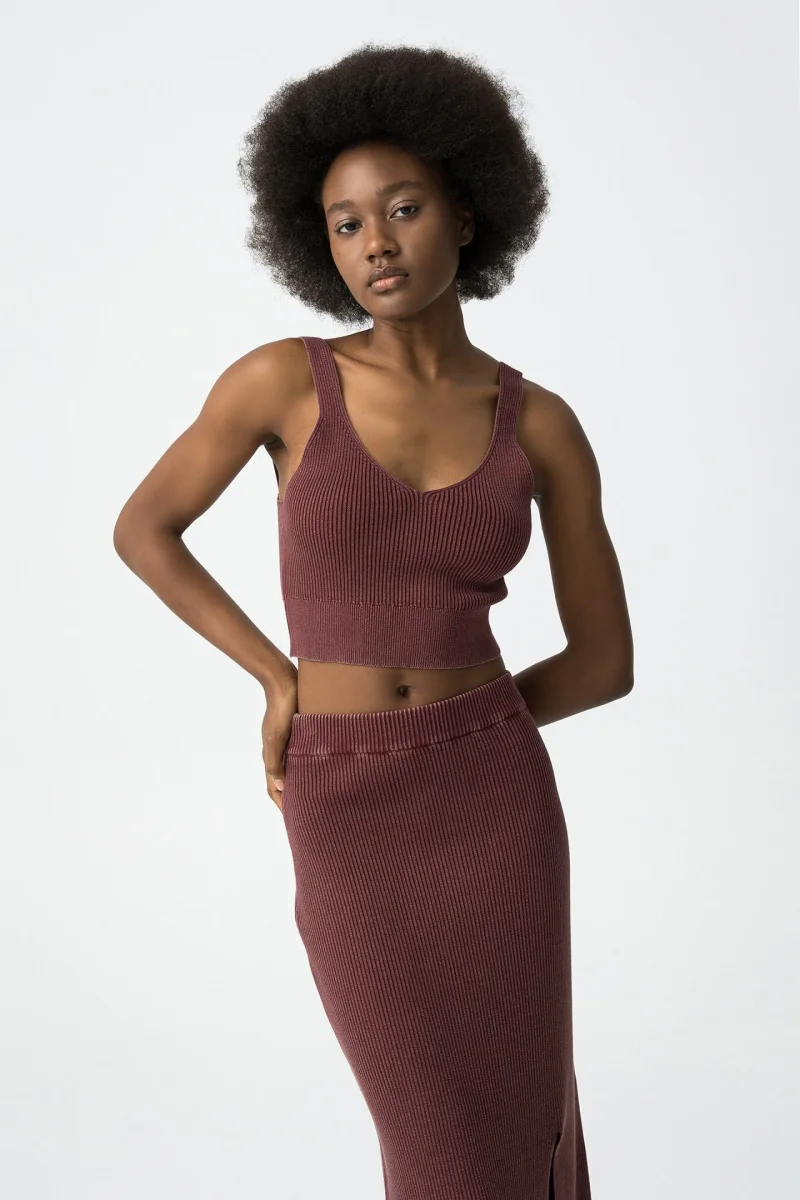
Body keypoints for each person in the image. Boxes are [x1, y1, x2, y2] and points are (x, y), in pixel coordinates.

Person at [114, 42, 633, 1200]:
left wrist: (468, 727)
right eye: (344, 224)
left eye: (402, 209)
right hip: (344, 801)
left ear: (468, 214)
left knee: (520, 1124)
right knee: (432, 1136)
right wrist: (276, 677)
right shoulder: (281, 382)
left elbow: (604, 662)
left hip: (493, 805)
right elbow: (145, 528)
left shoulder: (539, 423)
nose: (375, 244)